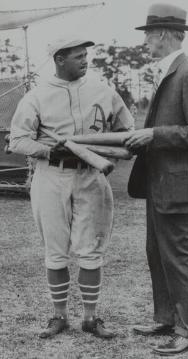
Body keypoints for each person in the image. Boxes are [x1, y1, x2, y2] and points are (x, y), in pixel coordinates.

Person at [9, 38, 135, 339]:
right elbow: (16, 140)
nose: (85, 60)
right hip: (51, 176)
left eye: (86, 55)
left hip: (91, 176)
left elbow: (126, 129)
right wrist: (48, 151)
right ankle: (59, 316)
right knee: (55, 252)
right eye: (78, 56)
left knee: (91, 251)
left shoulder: (103, 91)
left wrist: (110, 147)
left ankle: (91, 318)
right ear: (59, 59)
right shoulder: (36, 96)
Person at [126, 3, 188, 356]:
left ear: (162, 34)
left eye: (148, 34)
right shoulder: (170, 71)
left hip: (175, 184)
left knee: (178, 256)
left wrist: (153, 135)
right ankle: (166, 317)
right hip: (158, 181)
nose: (146, 41)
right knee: (157, 252)